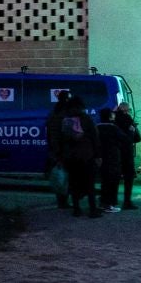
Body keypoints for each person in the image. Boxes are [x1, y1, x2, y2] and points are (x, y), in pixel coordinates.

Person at [46, 90, 100, 218]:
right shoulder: (85, 118)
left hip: (70, 156)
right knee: (89, 183)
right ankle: (93, 210)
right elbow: (95, 137)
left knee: (74, 182)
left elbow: (57, 137)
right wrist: (98, 155)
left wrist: (59, 154)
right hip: (86, 156)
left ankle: (76, 209)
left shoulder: (62, 118)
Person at [94, 109, 129, 213]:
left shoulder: (97, 127)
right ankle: (109, 205)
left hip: (101, 158)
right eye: (112, 115)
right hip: (113, 157)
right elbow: (125, 139)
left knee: (105, 182)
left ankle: (103, 203)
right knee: (112, 182)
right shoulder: (113, 128)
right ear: (110, 117)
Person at [113, 105, 141, 210]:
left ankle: (113, 200)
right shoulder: (128, 120)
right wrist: (133, 128)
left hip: (116, 153)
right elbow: (137, 138)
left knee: (114, 178)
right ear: (125, 110)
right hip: (127, 153)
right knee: (128, 179)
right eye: (128, 109)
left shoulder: (113, 121)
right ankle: (127, 201)